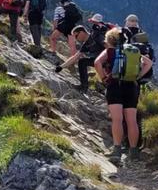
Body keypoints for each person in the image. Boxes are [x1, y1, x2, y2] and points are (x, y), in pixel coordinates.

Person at [94, 28, 152, 165]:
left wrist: (104, 78)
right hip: (131, 86)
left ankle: (117, 151)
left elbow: (97, 63)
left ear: (109, 40)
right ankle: (134, 152)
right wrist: (137, 76)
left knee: (117, 119)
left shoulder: (110, 51)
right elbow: (148, 63)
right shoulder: (132, 51)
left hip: (115, 85)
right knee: (131, 120)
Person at [54, 25, 101, 92]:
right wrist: (61, 67)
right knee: (82, 62)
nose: (76, 39)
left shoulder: (95, 36)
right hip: (99, 61)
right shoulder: (86, 44)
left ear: (81, 32)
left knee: (83, 61)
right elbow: (75, 57)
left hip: (107, 59)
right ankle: (83, 87)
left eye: (76, 36)